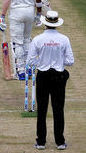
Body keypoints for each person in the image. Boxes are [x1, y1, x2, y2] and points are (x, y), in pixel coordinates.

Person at [27, 11, 74, 150]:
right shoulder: (64, 39)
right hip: (58, 77)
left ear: (45, 24)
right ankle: (60, 142)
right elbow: (70, 61)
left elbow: (30, 61)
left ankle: (41, 142)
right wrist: (59, 60)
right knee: (58, 110)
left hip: (43, 76)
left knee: (41, 110)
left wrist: (42, 61)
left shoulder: (37, 39)